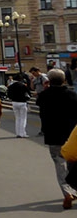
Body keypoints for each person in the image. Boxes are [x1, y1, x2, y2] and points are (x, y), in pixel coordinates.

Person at [34, 69, 77, 209]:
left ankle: (67, 192)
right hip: (71, 136)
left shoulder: (44, 95)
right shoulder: (72, 95)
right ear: (64, 80)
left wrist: (46, 88)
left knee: (60, 164)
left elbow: (39, 103)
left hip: (53, 136)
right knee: (73, 162)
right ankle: (74, 189)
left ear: (48, 81)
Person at [6, 73, 31, 138]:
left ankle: (18, 133)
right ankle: (23, 133)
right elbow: (28, 94)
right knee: (23, 118)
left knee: (17, 118)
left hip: (14, 102)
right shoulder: (23, 85)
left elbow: (9, 95)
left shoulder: (11, 86)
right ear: (20, 79)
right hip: (22, 102)